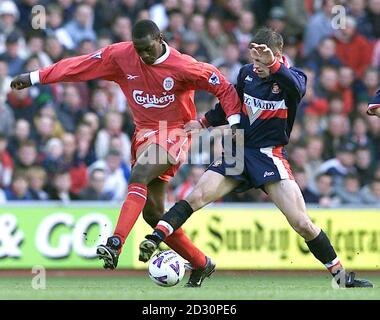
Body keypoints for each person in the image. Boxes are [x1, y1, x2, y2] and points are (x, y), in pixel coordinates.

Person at [10, 19, 241, 287]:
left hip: (174, 130)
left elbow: (223, 86)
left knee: (139, 173)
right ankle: (202, 263)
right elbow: (78, 66)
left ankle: (115, 242)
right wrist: (34, 77)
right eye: (138, 49)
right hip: (143, 132)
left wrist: (233, 122)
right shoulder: (120, 56)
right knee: (153, 214)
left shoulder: (183, 66)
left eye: (147, 49)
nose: (143, 55)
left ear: (160, 39)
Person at [139, 28, 373, 288]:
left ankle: (342, 278)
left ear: (278, 56)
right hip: (239, 149)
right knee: (196, 197)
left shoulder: (293, 78)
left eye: (263, 61)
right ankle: (155, 237)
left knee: (302, 223)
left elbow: (295, 89)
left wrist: (272, 65)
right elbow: (232, 104)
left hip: (269, 155)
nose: (257, 66)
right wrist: (204, 122)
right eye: (254, 60)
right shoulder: (246, 74)